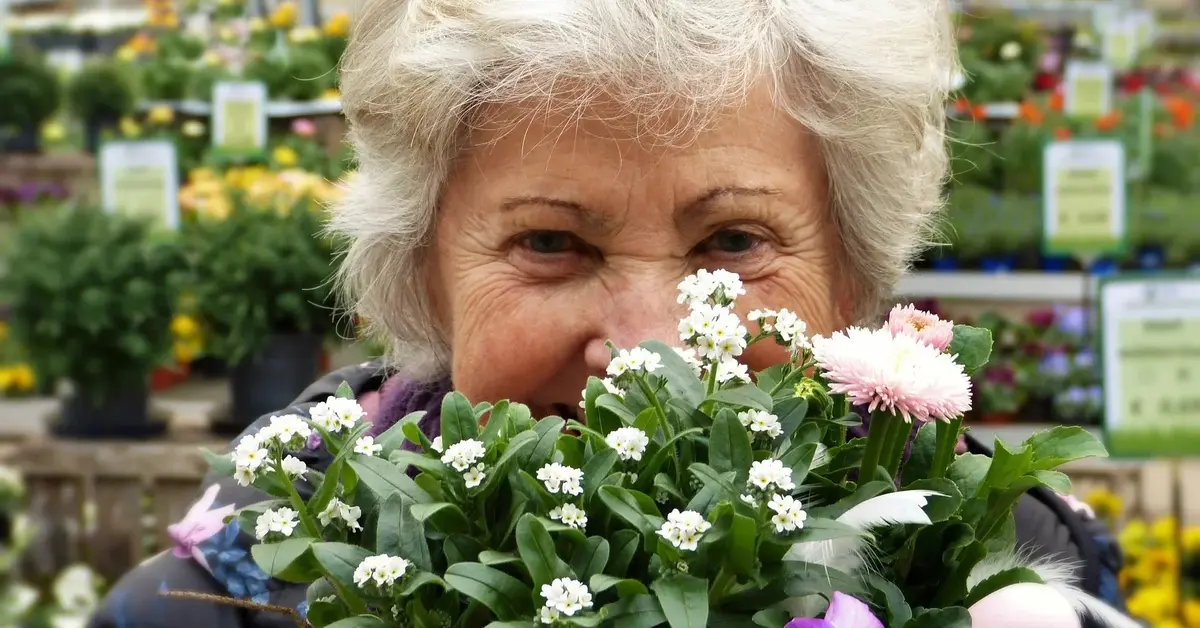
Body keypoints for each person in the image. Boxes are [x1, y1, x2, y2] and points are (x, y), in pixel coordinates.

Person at [89, 0, 1126, 626]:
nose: (644, 348)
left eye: (732, 243)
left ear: (851, 278)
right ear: (423, 273)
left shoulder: (1008, 579)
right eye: (550, 243)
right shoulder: (215, 605)